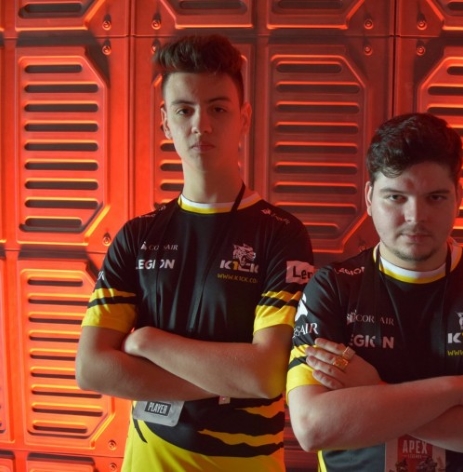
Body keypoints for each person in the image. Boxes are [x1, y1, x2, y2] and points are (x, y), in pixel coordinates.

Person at [75, 34, 314, 471]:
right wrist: (226, 381)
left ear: (244, 118)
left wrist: (147, 341)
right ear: (166, 122)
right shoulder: (137, 236)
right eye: (184, 110)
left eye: (218, 109)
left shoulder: (281, 234)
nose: (201, 125)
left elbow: (264, 374)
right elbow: (91, 369)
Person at [286, 112, 463, 471]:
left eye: (435, 197)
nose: (416, 216)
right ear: (369, 197)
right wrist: (457, 391)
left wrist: (374, 394)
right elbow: (313, 427)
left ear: (459, 197)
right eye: (396, 197)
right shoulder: (333, 286)